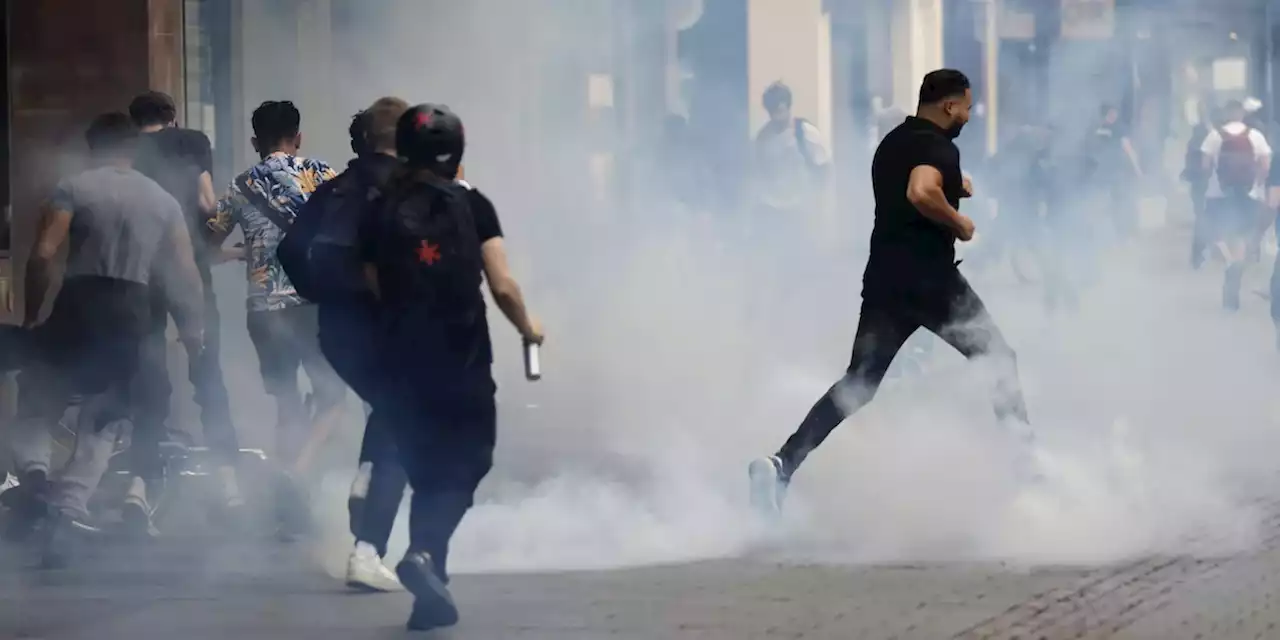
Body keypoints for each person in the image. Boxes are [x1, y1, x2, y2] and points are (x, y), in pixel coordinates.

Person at [748, 70, 1032, 515]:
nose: (970, 116)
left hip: (884, 280)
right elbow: (920, 191)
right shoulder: (938, 146)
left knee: (859, 383)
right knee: (999, 358)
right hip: (931, 282)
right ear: (949, 106)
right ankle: (1026, 475)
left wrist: (957, 185)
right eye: (968, 107)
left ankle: (781, 464)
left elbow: (916, 183)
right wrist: (959, 222)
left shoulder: (893, 143)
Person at [359, 104, 543, 631]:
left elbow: (371, 283)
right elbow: (502, 284)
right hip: (461, 361)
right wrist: (529, 329)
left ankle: (428, 588)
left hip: (399, 367)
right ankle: (423, 554)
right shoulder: (474, 204)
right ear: (455, 152)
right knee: (466, 466)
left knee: (424, 472)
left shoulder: (380, 208)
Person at [11, 113, 204, 565]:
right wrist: (193, 329)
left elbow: (42, 255)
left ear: (92, 146)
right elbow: (186, 274)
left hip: (80, 300)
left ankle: (37, 476)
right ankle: (69, 505)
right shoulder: (161, 200)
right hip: (131, 310)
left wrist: (35, 313)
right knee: (111, 410)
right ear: (133, 150)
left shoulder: (74, 188)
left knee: (41, 390)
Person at [278, 97, 410, 591]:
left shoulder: (334, 189)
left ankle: (366, 479)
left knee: (388, 409)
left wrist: (318, 292)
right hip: (389, 324)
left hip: (336, 327)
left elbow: (290, 248)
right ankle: (368, 549)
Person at [207, 100, 344, 537]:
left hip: (264, 309)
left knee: (286, 400)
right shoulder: (325, 175)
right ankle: (297, 475)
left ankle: (288, 500)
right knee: (333, 396)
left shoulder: (240, 185)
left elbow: (208, 244)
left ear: (255, 141)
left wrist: (239, 253)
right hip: (315, 304)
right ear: (298, 137)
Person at [129, 91, 245, 524]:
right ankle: (230, 486)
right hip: (189, 268)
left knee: (148, 376)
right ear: (172, 118)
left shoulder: (124, 150)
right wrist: (213, 247)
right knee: (208, 375)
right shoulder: (192, 142)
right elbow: (208, 205)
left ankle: (138, 487)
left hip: (138, 273)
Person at [1200, 99, 1272, 311]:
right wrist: (1257, 182)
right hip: (1248, 195)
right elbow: (1266, 165)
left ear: (1226, 113)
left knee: (1217, 234)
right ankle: (1236, 269)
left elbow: (1204, 166)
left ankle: (1230, 265)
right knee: (1241, 238)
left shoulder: (1214, 135)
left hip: (1219, 195)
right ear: (1241, 114)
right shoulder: (1255, 135)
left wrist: (1213, 179)